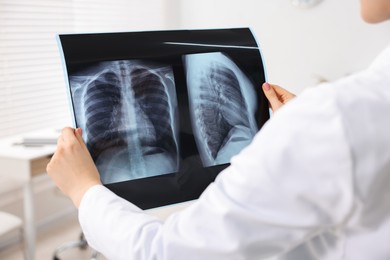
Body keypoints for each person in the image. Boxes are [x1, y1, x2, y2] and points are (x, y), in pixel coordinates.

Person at [47, 0, 390, 259]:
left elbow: (167, 253)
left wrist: (84, 191)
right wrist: (309, 134)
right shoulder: (345, 115)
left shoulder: (338, 117)